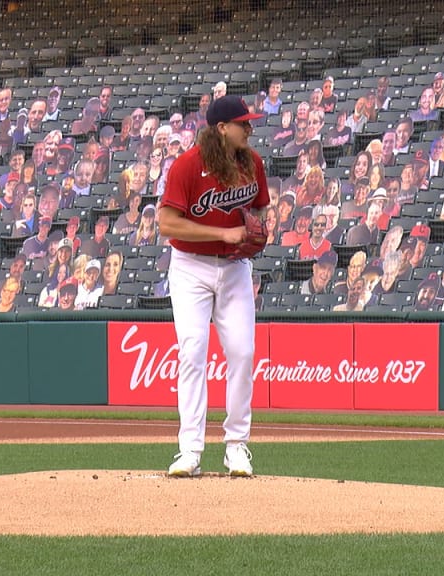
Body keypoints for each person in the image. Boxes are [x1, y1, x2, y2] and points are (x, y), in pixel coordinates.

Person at [157, 95, 269, 478]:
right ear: (222, 128)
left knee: (241, 352)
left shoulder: (252, 163)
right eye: (243, 123)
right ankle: (190, 450)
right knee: (193, 352)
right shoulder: (188, 165)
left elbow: (259, 210)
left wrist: (255, 231)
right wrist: (224, 231)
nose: (249, 129)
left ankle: (236, 446)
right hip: (190, 267)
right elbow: (168, 224)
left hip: (235, 267)